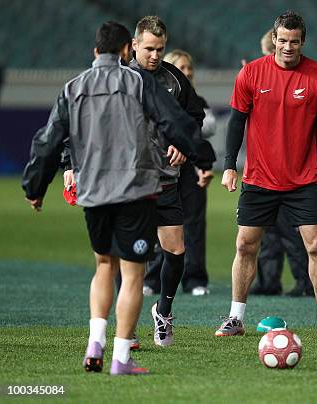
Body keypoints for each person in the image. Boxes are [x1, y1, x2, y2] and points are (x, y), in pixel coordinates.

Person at [22, 21, 214, 375]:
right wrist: (202, 157)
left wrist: (35, 186)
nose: (155, 55)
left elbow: (47, 140)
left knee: (104, 266)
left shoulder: (72, 87)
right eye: (147, 49)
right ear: (128, 49)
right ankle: (121, 356)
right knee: (132, 272)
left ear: (95, 51)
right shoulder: (137, 82)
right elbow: (176, 121)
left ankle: (96, 340)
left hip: (95, 191)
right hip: (135, 188)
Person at [216, 11, 317, 338]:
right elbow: (235, 123)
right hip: (259, 179)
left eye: (295, 42)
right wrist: (230, 165)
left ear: (303, 42)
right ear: (274, 39)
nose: (288, 47)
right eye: (283, 40)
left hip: (304, 180)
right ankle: (235, 317)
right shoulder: (251, 74)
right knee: (246, 245)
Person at [130, 16, 214, 346]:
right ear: (134, 45)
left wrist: (183, 144)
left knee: (175, 249)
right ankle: (129, 327)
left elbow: (195, 116)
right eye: (148, 48)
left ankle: (163, 311)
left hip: (166, 180)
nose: (154, 55)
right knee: (133, 256)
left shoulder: (174, 79)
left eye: (160, 49)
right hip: (129, 184)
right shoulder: (121, 79)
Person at [247, 28, 312, 297]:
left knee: (290, 232)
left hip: (290, 174)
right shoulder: (256, 79)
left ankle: (304, 283)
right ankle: (269, 281)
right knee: (268, 235)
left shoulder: (301, 80)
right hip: (264, 171)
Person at [148, 48, 215, 297]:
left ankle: (195, 278)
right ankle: (152, 277)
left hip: (189, 166)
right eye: (181, 67)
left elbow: (205, 124)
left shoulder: (191, 97)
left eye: (189, 68)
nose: (186, 72)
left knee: (194, 225)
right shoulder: (155, 92)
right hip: (159, 166)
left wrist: (196, 158)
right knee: (159, 225)